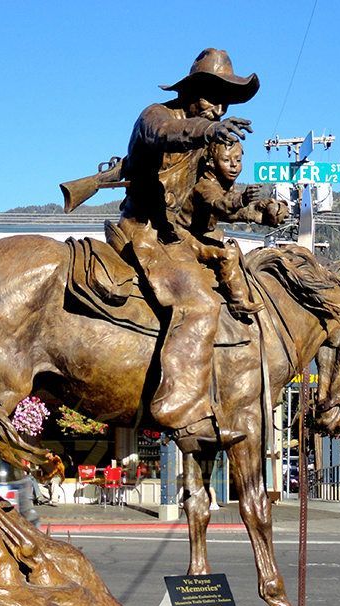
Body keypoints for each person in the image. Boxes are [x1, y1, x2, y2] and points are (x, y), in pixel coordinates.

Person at [114, 48, 261, 440]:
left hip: (174, 236)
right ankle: (183, 406)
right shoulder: (156, 116)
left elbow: (205, 193)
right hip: (143, 231)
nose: (218, 108)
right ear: (191, 90)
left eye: (225, 99)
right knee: (201, 302)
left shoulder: (202, 135)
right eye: (213, 95)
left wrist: (251, 207)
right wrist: (207, 132)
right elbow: (165, 134)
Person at [176, 138, 288, 317]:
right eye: (226, 160)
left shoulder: (223, 183)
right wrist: (242, 199)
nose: (234, 166)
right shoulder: (205, 185)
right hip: (183, 237)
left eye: (238, 160)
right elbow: (220, 204)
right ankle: (237, 301)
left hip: (202, 234)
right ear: (212, 163)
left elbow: (235, 213)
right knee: (229, 254)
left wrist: (264, 212)